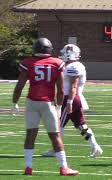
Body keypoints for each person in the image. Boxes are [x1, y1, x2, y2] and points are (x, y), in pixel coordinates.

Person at [11, 38, 79, 176]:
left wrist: (14, 102)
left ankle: (28, 167)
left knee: (30, 134)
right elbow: (60, 89)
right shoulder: (57, 63)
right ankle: (63, 167)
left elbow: (19, 86)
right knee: (55, 135)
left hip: (31, 102)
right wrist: (59, 106)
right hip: (48, 103)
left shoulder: (28, 63)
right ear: (49, 49)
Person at [42, 44, 103, 158]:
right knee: (81, 125)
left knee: (58, 124)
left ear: (69, 54)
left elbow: (73, 86)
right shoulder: (75, 65)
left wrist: (69, 101)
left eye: (65, 53)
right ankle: (95, 146)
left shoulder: (73, 67)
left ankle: (56, 149)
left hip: (70, 98)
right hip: (75, 98)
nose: (62, 55)